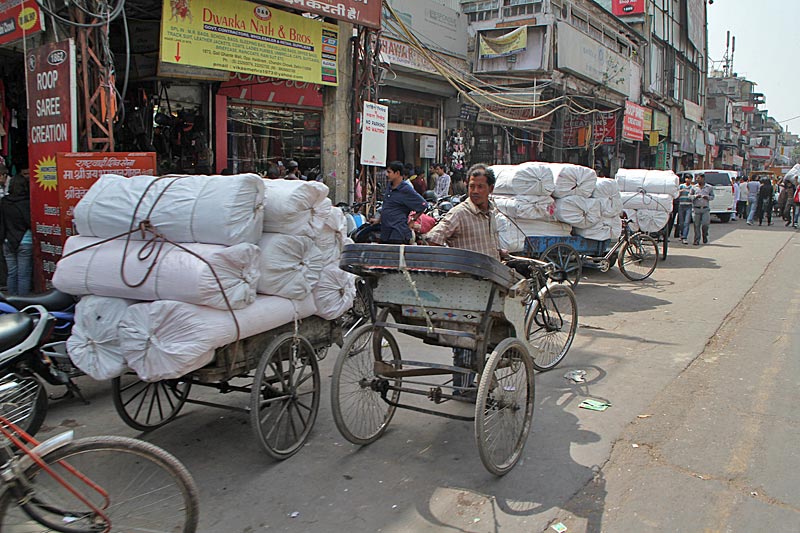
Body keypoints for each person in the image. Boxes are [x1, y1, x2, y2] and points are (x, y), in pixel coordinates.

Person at [425, 163, 502, 393]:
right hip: (465, 288)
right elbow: (433, 237)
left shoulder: (490, 213)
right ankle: (463, 388)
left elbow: (489, 243)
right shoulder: (460, 213)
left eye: (480, 186)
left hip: (489, 286)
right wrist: (452, 264)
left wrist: (502, 254)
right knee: (464, 338)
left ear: (490, 188)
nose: (475, 191)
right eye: (471, 186)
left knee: (482, 336)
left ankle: (473, 382)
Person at [378, 160, 428, 244]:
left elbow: (423, 205)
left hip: (398, 232)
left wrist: (412, 220)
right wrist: (378, 220)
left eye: (389, 172)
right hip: (386, 231)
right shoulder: (389, 187)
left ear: (397, 173)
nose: (387, 175)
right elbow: (387, 206)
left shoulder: (406, 189)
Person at [0, 171, 32, 295]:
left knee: (12, 273)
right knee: (23, 275)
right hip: (25, 240)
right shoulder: (27, 202)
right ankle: (22, 303)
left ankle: (11, 302)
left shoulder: (4, 202)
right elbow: (29, 222)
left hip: (8, 241)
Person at [689, 173, 714, 245]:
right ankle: (696, 240)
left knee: (705, 224)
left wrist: (707, 197)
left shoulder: (709, 187)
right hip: (696, 209)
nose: (697, 179)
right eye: (696, 178)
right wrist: (695, 196)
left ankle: (705, 235)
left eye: (698, 178)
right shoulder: (694, 187)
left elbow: (712, 196)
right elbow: (689, 196)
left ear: (703, 179)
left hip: (705, 209)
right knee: (696, 225)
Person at [677, 175, 693, 244]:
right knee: (681, 222)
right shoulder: (681, 186)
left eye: (689, 179)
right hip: (681, 205)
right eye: (687, 178)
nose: (688, 180)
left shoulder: (692, 187)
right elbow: (676, 194)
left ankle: (684, 237)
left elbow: (693, 195)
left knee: (687, 222)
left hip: (688, 206)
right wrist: (680, 191)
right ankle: (681, 234)